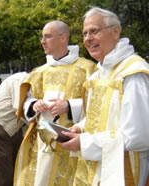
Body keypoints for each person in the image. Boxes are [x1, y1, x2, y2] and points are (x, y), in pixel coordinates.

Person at [59, 7, 149, 186]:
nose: (87, 38)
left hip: (124, 169)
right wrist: (80, 128)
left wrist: (85, 143)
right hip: (96, 166)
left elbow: (139, 135)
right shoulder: (99, 73)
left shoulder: (132, 72)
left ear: (116, 31)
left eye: (94, 31)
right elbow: (99, 116)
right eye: (84, 33)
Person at [13, 20, 96, 186]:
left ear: (63, 38)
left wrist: (69, 106)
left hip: (71, 142)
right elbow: (26, 101)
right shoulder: (40, 72)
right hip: (42, 144)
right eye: (42, 37)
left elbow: (97, 104)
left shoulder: (86, 68)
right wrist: (34, 104)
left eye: (48, 36)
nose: (43, 41)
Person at [0, 72, 29, 186]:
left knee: (18, 169)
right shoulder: (22, 79)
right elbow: (19, 108)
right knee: (5, 175)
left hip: (10, 128)